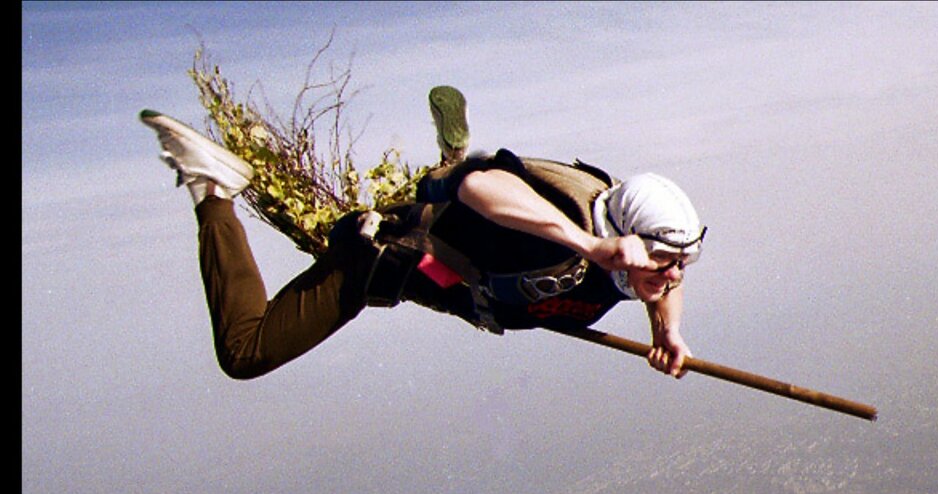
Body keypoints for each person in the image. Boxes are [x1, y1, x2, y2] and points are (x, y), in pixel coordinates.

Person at [139, 86, 706, 380]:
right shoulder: (565, 233)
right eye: (664, 260)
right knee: (246, 352)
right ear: (621, 238)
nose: (673, 275)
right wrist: (587, 246)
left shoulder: (639, 263)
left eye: (682, 262)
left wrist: (668, 330)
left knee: (453, 212)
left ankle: (449, 156)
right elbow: (481, 187)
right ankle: (213, 189)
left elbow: (662, 281)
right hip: (384, 256)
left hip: (455, 261)